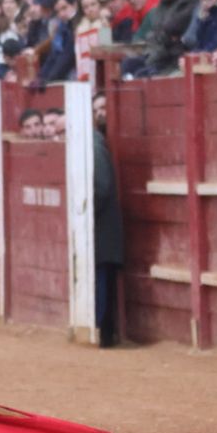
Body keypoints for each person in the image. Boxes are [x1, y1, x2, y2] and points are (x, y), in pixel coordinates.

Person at [92, 94, 124, 347]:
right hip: (102, 229)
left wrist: (81, 217)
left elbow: (101, 189)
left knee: (101, 279)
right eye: (97, 109)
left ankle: (102, 332)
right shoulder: (94, 141)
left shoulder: (92, 143)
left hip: (100, 229)